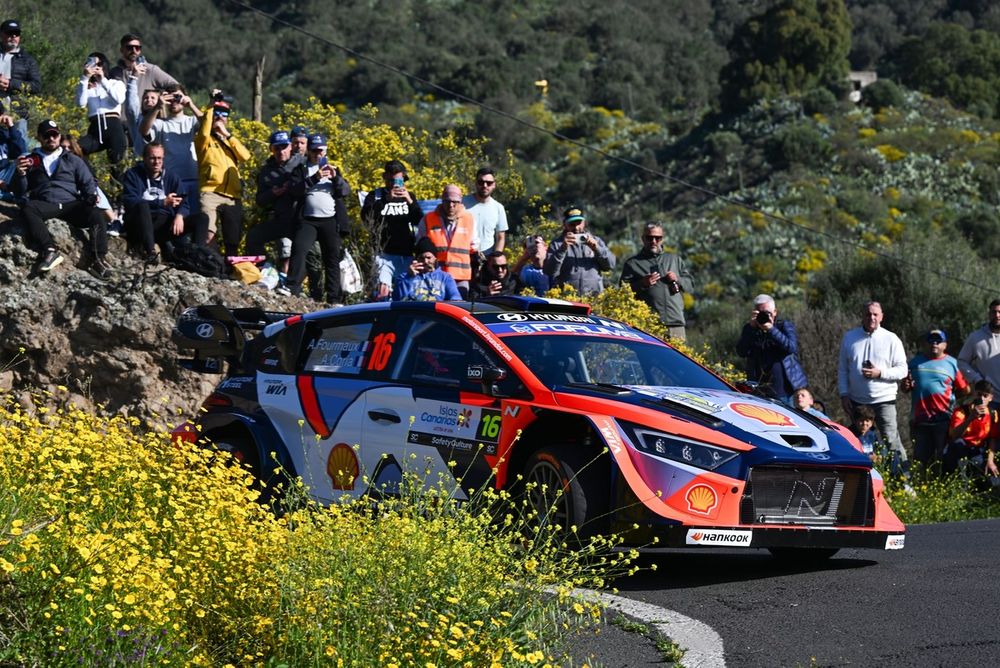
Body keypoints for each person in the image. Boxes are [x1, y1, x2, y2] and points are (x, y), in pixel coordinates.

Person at [11, 120, 110, 278]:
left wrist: (91, 196)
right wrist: (21, 174)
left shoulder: (73, 159)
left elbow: (87, 182)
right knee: (29, 208)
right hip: (45, 204)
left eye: (54, 134)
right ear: (39, 137)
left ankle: (98, 258)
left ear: (59, 136)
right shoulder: (30, 160)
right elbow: (19, 191)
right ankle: (49, 251)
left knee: (95, 214)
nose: (51, 138)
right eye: (46, 135)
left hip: (70, 204)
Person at [837, 301, 909, 475]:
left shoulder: (891, 339)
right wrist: (844, 394)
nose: (872, 318)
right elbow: (843, 369)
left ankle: (903, 480)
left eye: (875, 314)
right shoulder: (850, 337)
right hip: (857, 400)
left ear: (882, 316)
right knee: (856, 442)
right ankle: (860, 479)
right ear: (862, 316)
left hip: (884, 400)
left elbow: (903, 370)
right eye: (868, 314)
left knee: (891, 441)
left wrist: (880, 373)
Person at [280, 133, 348, 303]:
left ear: (325, 151)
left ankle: (334, 298)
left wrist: (336, 179)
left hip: (330, 220)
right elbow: (295, 191)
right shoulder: (301, 170)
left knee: (332, 258)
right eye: (314, 151)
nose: (318, 154)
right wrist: (315, 178)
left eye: (321, 151)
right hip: (308, 219)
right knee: (299, 251)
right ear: (308, 151)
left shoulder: (334, 170)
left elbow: (345, 192)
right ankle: (291, 287)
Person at [122, 141, 205, 265]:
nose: (157, 162)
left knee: (202, 218)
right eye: (152, 158)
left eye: (160, 158)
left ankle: (198, 257)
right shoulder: (133, 175)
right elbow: (130, 201)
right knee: (142, 205)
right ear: (144, 158)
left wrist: (180, 215)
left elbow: (184, 202)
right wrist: (162, 202)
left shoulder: (171, 177)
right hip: (140, 224)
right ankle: (150, 253)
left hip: (164, 225)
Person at [902, 328, 969, 468]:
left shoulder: (953, 364)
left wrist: (951, 397)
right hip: (919, 421)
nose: (934, 344)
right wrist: (906, 385)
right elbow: (905, 388)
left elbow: (965, 389)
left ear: (945, 345)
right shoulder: (914, 363)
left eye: (938, 341)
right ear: (925, 344)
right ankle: (920, 487)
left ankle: (940, 486)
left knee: (942, 460)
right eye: (931, 341)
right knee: (920, 461)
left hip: (944, 420)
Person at [194, 91, 250, 256]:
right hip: (210, 192)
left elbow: (246, 156)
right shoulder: (203, 140)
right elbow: (204, 130)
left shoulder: (231, 140)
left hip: (232, 195)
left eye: (224, 114)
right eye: (217, 113)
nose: (220, 117)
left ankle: (229, 271)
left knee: (232, 240)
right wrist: (211, 106)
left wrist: (227, 135)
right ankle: (214, 267)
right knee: (208, 234)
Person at [619, 222, 693, 340]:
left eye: (657, 238)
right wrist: (642, 283)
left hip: (675, 323)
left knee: (678, 358)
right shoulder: (633, 263)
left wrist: (677, 279)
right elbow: (623, 291)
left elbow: (690, 285)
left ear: (662, 239)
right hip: (649, 325)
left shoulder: (674, 259)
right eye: (649, 238)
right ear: (643, 239)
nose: (653, 241)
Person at [362, 159, 422, 300]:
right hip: (383, 254)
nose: (394, 184)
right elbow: (366, 218)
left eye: (398, 181)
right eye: (390, 180)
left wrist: (410, 201)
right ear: (384, 177)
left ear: (403, 178)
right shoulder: (375, 196)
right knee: (383, 293)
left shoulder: (409, 197)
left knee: (407, 292)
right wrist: (386, 201)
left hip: (405, 253)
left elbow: (419, 220)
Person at [246, 130, 304, 273]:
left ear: (290, 146)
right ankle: (264, 272)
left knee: (306, 253)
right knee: (253, 237)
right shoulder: (266, 171)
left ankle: (299, 286)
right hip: (281, 219)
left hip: (302, 220)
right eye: (276, 148)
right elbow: (260, 200)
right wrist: (272, 193)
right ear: (271, 149)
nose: (281, 151)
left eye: (284, 147)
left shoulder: (302, 162)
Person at [138, 83, 202, 210]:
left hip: (194, 177)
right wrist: (157, 107)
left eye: (177, 97)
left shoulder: (191, 121)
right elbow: (144, 131)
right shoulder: (160, 124)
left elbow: (208, 125)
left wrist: (191, 105)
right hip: (172, 180)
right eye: (170, 98)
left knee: (195, 220)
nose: (174, 101)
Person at [734, 293, 806, 402]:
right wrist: (751, 329)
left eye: (767, 313)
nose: (764, 316)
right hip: (757, 390)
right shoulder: (750, 329)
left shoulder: (783, 326)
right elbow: (741, 352)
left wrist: (771, 329)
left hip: (783, 391)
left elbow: (791, 347)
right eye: (760, 313)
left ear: (775, 312)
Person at [417, 184, 476, 298]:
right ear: (442, 201)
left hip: (460, 278)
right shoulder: (428, 218)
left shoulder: (469, 219)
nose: (451, 205)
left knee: (458, 309)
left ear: (460, 202)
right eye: (447, 201)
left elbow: (474, 245)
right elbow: (420, 244)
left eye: (455, 202)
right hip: (434, 276)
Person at [544, 206, 615, 295]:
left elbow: (610, 265)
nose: (576, 228)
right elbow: (549, 271)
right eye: (572, 224)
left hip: (594, 299)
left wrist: (597, 248)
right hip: (567, 299)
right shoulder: (557, 244)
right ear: (564, 224)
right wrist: (562, 249)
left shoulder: (596, 240)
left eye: (579, 223)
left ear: (584, 223)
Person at [75, 52, 127, 173]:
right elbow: (80, 104)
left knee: (117, 166)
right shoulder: (86, 86)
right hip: (95, 128)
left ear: (104, 65)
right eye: (92, 64)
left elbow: (119, 99)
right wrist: (84, 78)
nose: (96, 67)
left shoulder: (115, 83)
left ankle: (118, 189)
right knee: (75, 149)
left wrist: (102, 80)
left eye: (99, 64)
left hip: (113, 126)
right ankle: (92, 180)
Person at [945, 380, 999, 477]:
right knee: (958, 445)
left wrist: (990, 461)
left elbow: (992, 438)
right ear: (974, 394)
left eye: (985, 396)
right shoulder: (962, 411)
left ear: (991, 398)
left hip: (977, 450)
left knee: (984, 478)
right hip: (961, 448)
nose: (981, 398)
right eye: (979, 394)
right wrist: (970, 418)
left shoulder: (992, 414)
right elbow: (954, 436)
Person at [0, 19, 40, 136]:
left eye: (16, 33)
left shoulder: (28, 60)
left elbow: (36, 86)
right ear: (1, 34)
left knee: (18, 150)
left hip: (18, 113)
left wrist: (11, 84)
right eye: (9, 33)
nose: (13, 36)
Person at [392, 236, 461, 301]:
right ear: (416, 259)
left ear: (435, 259)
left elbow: (456, 299)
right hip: (413, 312)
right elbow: (400, 299)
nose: (425, 261)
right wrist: (409, 277)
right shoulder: (403, 277)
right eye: (422, 258)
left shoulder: (445, 278)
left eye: (429, 258)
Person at [957, 299, 1000, 404]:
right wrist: (977, 379)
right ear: (989, 314)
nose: (997, 315)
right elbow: (961, 361)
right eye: (994, 312)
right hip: (987, 400)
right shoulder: (976, 337)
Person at [109, 33, 178, 95]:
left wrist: (161, 96)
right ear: (121, 50)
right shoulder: (114, 73)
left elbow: (175, 86)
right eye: (129, 48)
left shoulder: (151, 70)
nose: (134, 51)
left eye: (137, 48)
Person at [463, 166, 508, 259]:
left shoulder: (498, 208)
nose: (485, 185)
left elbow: (501, 237)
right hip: (464, 255)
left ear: (494, 185)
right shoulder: (462, 203)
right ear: (476, 183)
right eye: (481, 182)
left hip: (488, 258)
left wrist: (496, 258)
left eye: (489, 183)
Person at [0, 104, 27, 199]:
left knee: (25, 157)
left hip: (5, 173)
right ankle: (9, 194)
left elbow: (21, 151)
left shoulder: (4, 133)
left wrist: (11, 127)